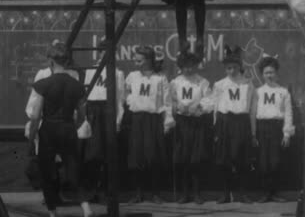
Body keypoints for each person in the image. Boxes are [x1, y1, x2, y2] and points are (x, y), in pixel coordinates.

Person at [26, 42, 93, 217]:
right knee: (73, 170)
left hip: (48, 129)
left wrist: (32, 136)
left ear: (51, 61)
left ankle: (52, 213)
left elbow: (35, 116)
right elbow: (82, 114)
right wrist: (74, 126)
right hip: (67, 128)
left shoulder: (43, 84)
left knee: (47, 173)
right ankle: (86, 208)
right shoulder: (77, 85)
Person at [125, 46, 173, 204]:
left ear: (148, 59)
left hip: (154, 120)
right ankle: (138, 193)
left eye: (138, 58)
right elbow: (126, 93)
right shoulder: (132, 76)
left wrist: (167, 123)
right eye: (135, 58)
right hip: (138, 119)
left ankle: (155, 193)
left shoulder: (160, 79)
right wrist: (131, 101)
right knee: (137, 157)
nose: (135, 61)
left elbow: (167, 103)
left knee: (153, 157)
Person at [210, 45, 256, 203]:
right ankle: (225, 193)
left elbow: (252, 110)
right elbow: (215, 108)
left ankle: (243, 193)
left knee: (243, 160)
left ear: (240, 67)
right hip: (224, 123)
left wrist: (253, 132)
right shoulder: (219, 85)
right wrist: (216, 130)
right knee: (224, 160)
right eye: (228, 68)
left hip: (242, 123)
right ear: (225, 69)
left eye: (234, 67)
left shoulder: (248, 84)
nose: (231, 71)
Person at [81, 40, 125, 202]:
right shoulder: (90, 71)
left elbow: (119, 99)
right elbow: (85, 97)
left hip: (109, 111)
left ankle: (109, 192)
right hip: (93, 112)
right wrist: (85, 118)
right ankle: (91, 190)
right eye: (104, 51)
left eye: (111, 51)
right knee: (93, 154)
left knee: (109, 154)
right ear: (99, 52)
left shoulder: (118, 73)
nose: (107, 54)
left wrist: (118, 120)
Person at [170, 52, 212, 204]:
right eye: (185, 67)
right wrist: (176, 106)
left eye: (191, 66)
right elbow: (170, 101)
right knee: (182, 159)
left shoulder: (202, 82)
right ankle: (184, 194)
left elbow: (209, 101)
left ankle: (197, 194)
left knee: (196, 159)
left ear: (196, 66)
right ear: (180, 67)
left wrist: (199, 106)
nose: (188, 69)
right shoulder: (175, 82)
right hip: (181, 124)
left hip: (197, 123)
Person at [252, 56, 294, 202]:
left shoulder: (283, 92)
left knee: (275, 162)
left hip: (277, 128)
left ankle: (275, 193)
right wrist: (253, 134)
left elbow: (288, 114)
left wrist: (286, 134)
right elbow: (253, 113)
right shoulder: (257, 92)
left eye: (272, 72)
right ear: (262, 75)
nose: (269, 75)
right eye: (266, 73)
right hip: (262, 128)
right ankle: (265, 193)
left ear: (277, 73)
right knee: (263, 162)